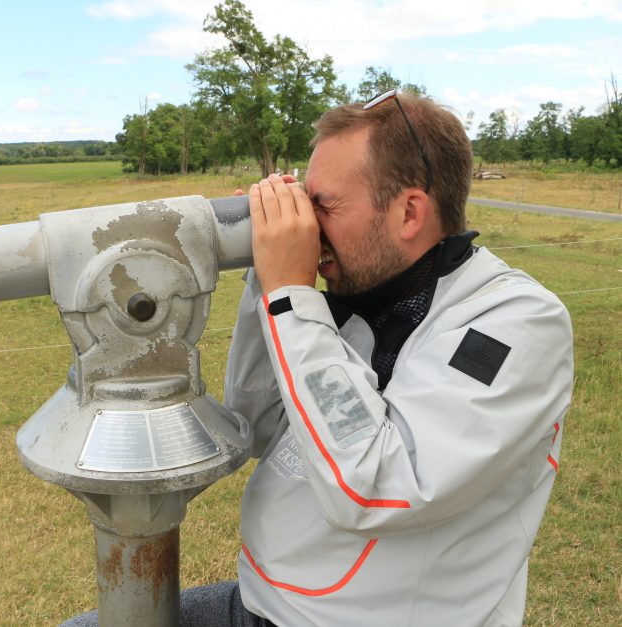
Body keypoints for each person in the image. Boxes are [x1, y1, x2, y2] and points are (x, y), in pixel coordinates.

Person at [62, 90, 572, 626]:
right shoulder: (363, 296)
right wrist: (269, 278)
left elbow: (378, 487)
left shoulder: (516, 321)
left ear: (409, 212)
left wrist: (291, 296)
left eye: (323, 205)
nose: (309, 223)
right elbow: (256, 425)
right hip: (270, 605)